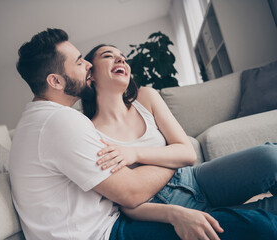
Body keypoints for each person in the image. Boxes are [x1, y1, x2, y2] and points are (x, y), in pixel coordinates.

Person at [10, 28, 277, 240]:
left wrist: (142, 154)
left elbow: (183, 156)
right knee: (260, 226)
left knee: (269, 159)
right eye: (80, 63)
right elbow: (130, 194)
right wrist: (174, 162)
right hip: (115, 228)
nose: (87, 67)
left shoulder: (43, 121)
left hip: (185, 183)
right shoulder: (64, 123)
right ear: (55, 81)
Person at [81, 43, 277, 220]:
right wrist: (176, 214)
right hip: (163, 210)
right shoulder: (89, 133)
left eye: (122, 56)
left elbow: (187, 154)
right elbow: (123, 202)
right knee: (264, 221)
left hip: (194, 178)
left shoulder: (146, 98)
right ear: (90, 76)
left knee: (271, 156)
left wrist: (134, 154)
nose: (121, 59)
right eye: (108, 55)